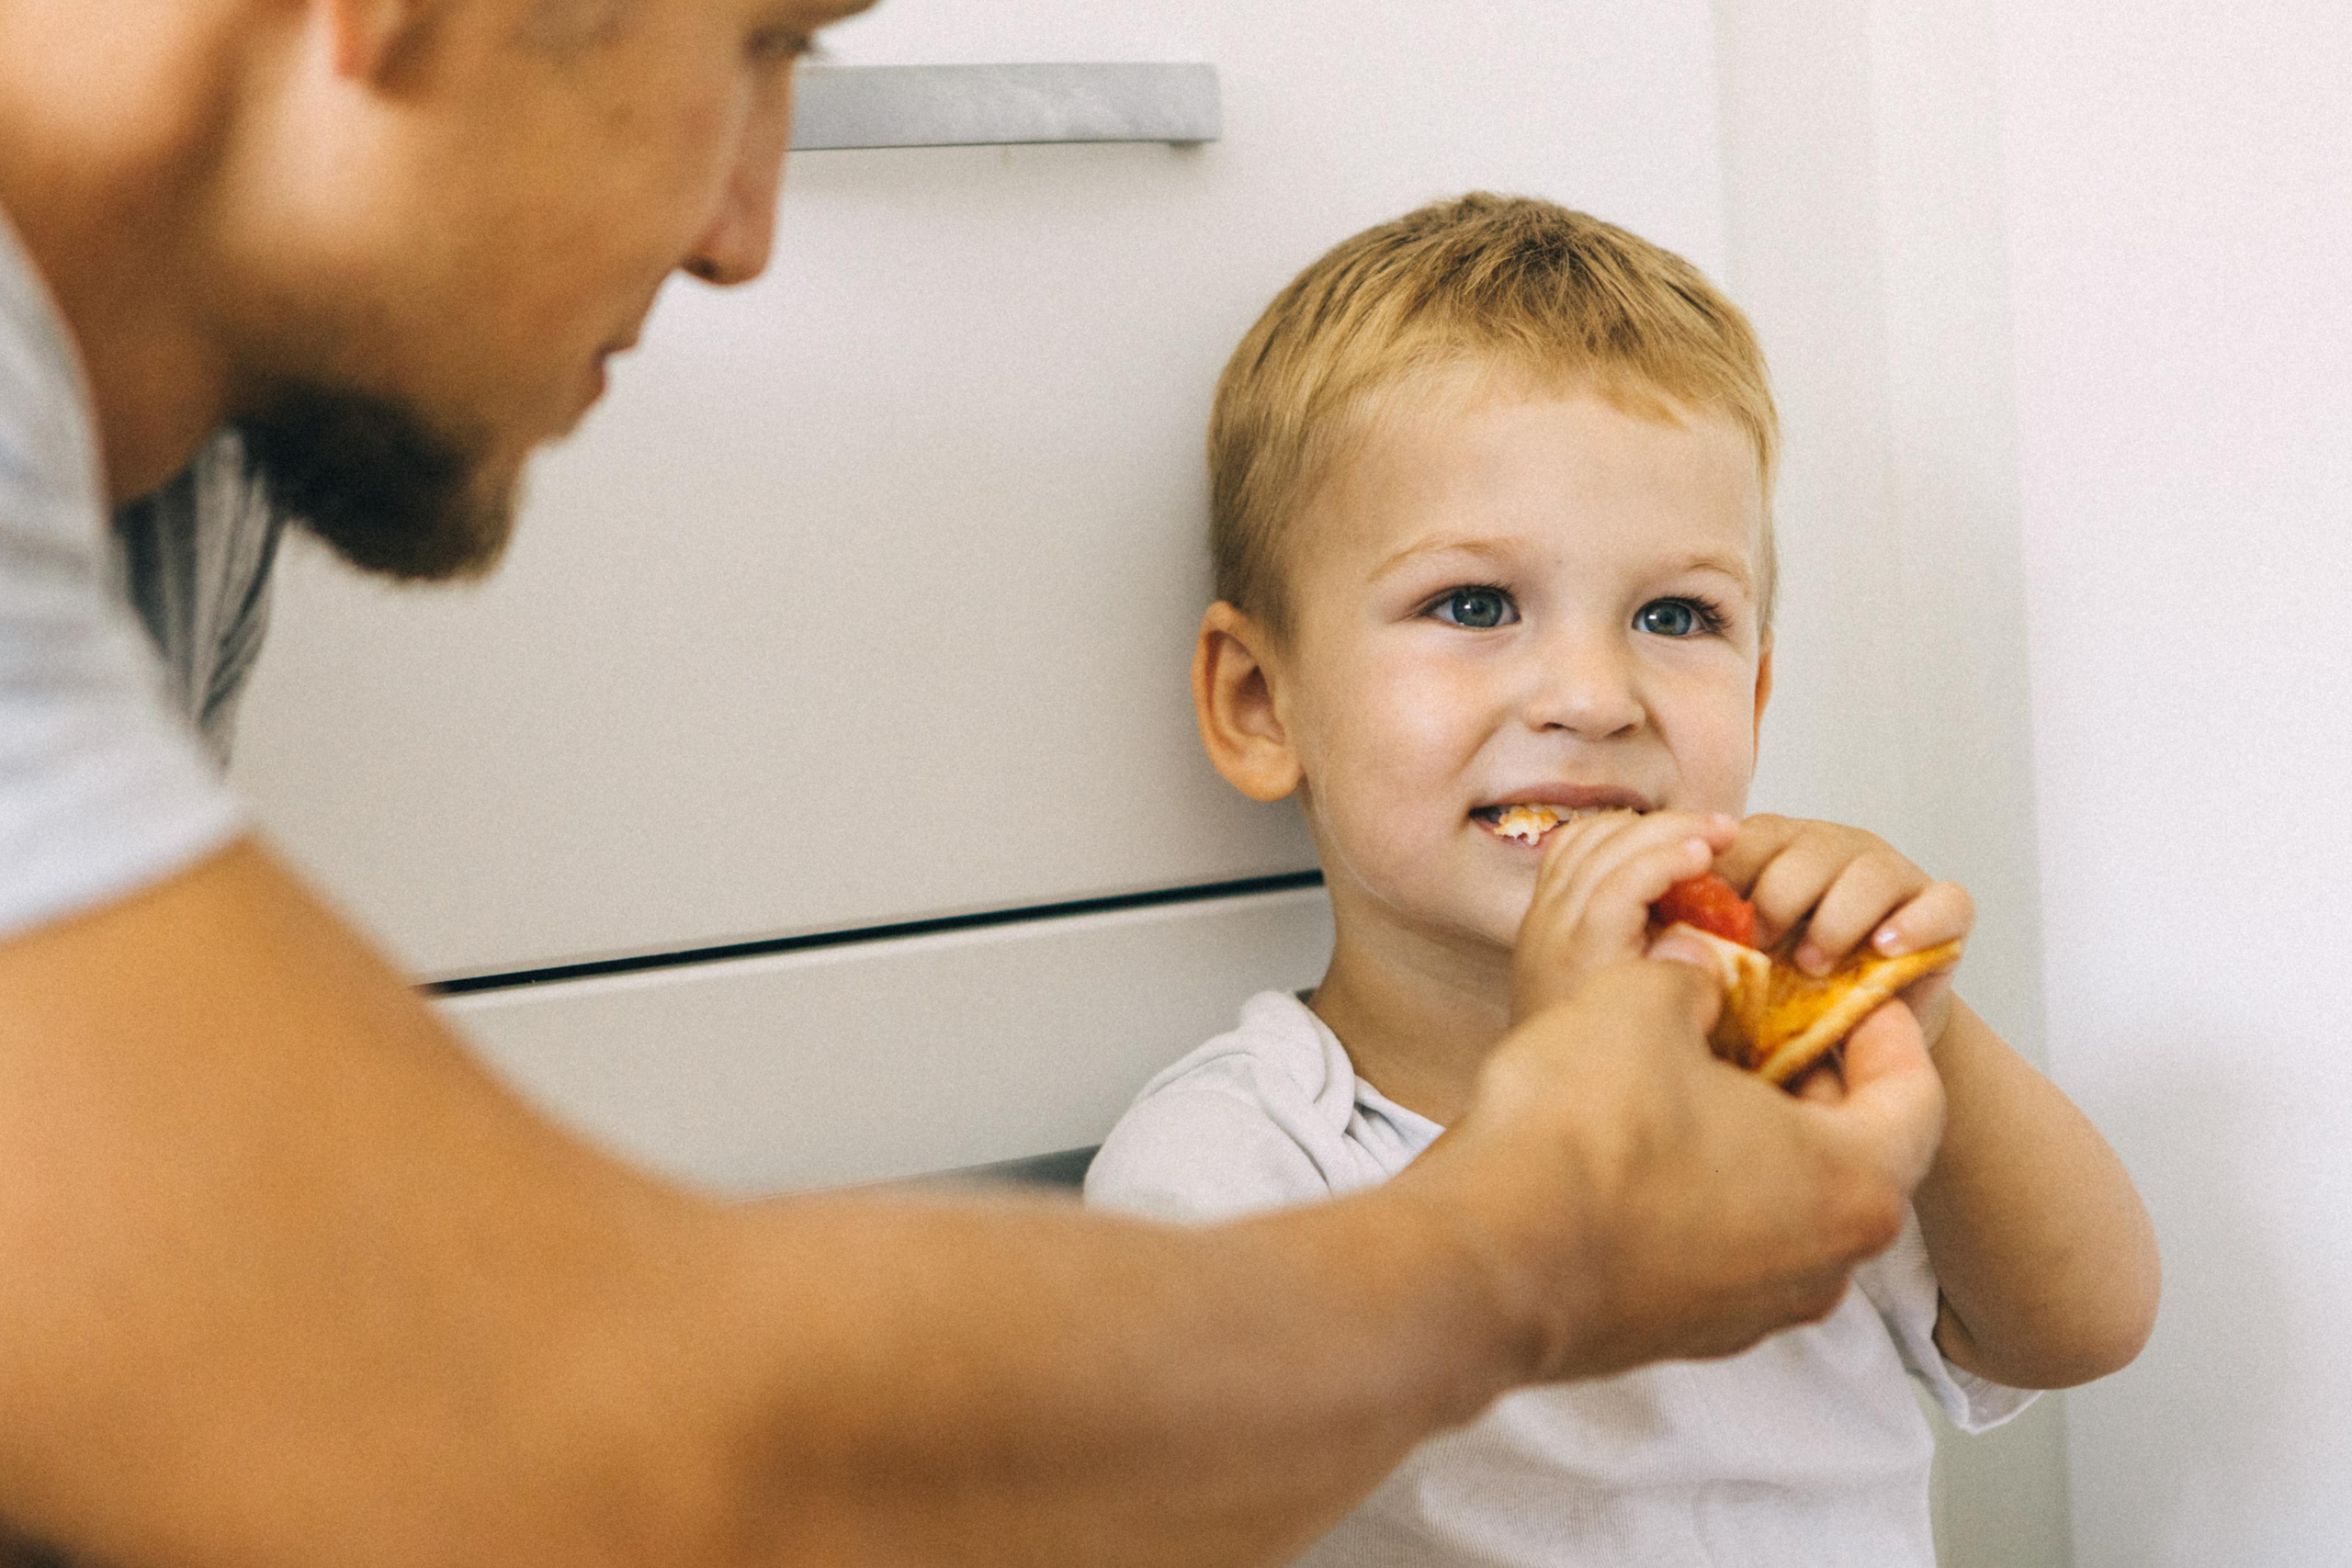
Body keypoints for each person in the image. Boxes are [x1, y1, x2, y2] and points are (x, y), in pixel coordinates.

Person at [0, 6, 1955, 1564]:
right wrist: (1545, 1230)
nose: (745, 227)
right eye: (760, 43)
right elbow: (541, 1443)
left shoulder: (186, 446)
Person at [1085, 195, 2161, 1566]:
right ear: (1259, 700)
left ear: (1758, 691)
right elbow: (1192, 1507)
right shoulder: (1242, 1154)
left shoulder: (1791, 1082)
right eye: (1473, 605)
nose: (1594, 698)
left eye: (1676, 617)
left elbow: (2084, 1327)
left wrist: (1924, 1030)